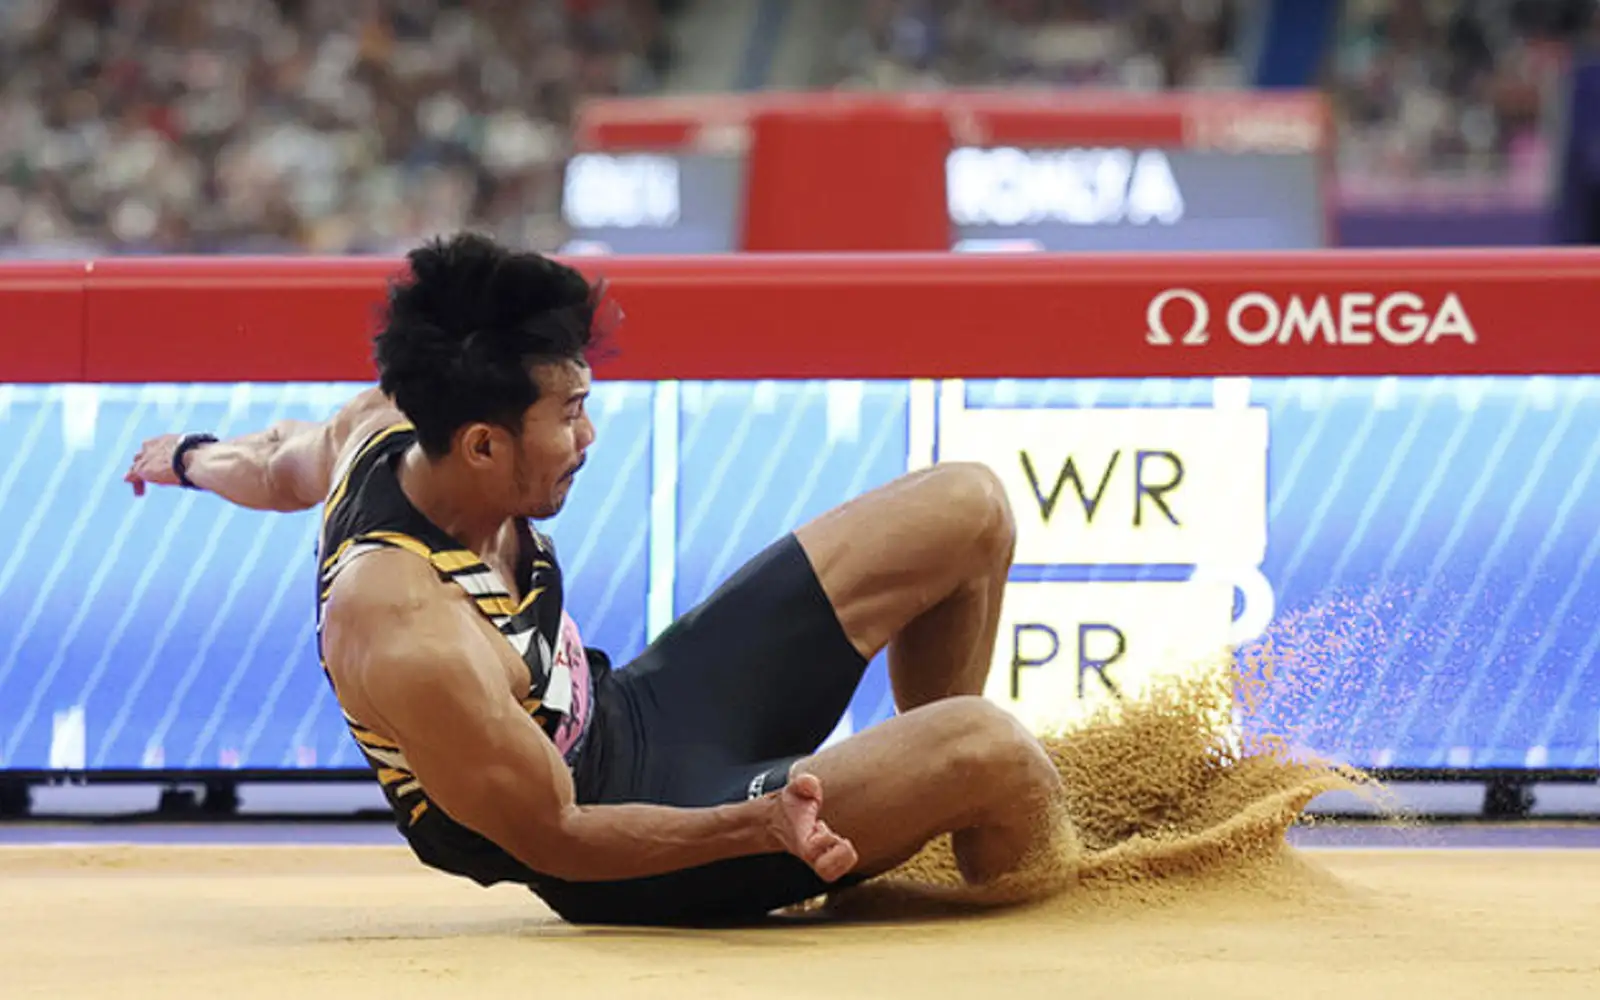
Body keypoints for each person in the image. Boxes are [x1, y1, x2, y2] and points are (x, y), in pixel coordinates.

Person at [123, 232, 1067, 925]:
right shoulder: (406, 629)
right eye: (570, 413)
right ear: (483, 445)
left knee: (970, 505)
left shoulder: (383, 426)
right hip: (626, 845)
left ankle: (944, 836)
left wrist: (189, 457)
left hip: (641, 710)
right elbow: (560, 838)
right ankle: (1018, 898)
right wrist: (758, 827)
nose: (591, 436)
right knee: (991, 748)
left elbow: (277, 456)